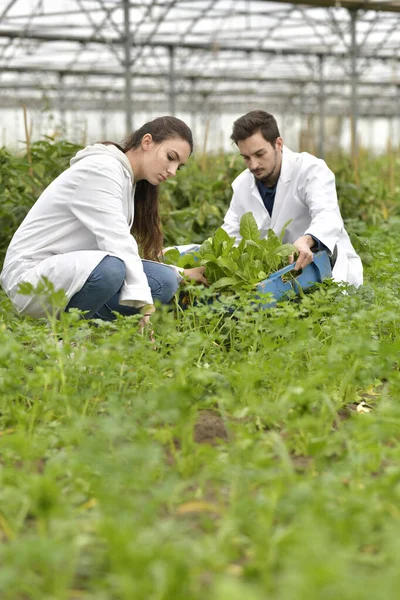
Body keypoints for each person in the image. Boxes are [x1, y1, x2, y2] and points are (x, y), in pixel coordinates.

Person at [0, 116, 207, 330]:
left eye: (178, 166)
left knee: (163, 281)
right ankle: (67, 341)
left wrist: (179, 273)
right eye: (170, 157)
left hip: (69, 271)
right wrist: (145, 306)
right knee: (112, 269)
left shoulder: (128, 181)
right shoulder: (101, 169)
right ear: (147, 142)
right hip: (30, 276)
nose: (172, 171)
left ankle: (92, 330)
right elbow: (117, 242)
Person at [222, 110, 363, 286]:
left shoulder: (310, 170)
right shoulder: (242, 185)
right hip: (277, 280)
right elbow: (230, 235)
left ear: (278, 144)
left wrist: (307, 239)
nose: (253, 165)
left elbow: (327, 214)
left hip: (327, 271)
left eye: (260, 154)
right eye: (246, 158)